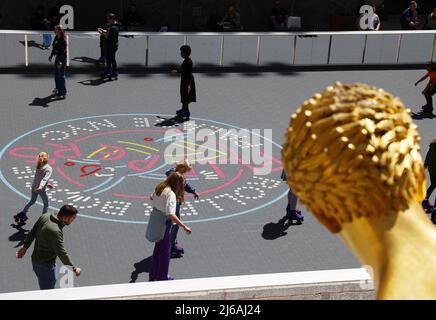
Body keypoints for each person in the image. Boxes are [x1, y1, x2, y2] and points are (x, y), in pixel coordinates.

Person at [16, 205, 81, 290]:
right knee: (47, 292)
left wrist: (25, 246)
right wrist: (74, 268)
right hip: (45, 266)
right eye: (73, 218)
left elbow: (33, 231)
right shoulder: (55, 231)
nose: (73, 220)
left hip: (36, 261)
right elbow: (61, 252)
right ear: (65, 217)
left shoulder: (45, 216)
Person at [148, 172, 192, 281]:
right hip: (164, 222)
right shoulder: (171, 194)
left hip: (155, 218)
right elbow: (170, 214)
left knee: (157, 248)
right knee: (165, 251)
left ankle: (153, 274)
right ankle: (162, 276)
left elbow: (151, 197)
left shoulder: (160, 186)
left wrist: (160, 203)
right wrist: (183, 226)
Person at [165, 161, 199, 257]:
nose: (185, 172)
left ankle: (172, 241)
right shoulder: (175, 176)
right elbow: (183, 184)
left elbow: (185, 185)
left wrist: (193, 191)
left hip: (176, 201)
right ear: (181, 167)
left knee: (172, 223)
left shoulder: (177, 175)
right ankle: (171, 245)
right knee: (175, 222)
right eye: (185, 170)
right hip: (174, 201)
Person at [14, 152, 53, 225]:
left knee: (32, 201)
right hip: (40, 189)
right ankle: (43, 220)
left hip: (34, 187)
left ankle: (22, 214)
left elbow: (38, 178)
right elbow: (44, 179)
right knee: (46, 204)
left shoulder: (39, 166)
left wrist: (47, 184)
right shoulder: (49, 168)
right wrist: (41, 187)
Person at [171, 45, 196, 120]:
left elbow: (187, 72)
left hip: (187, 80)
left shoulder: (188, 62)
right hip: (185, 79)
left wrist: (189, 85)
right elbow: (184, 70)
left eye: (181, 52)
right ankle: (183, 109)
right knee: (183, 95)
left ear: (185, 53)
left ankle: (186, 111)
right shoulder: (186, 60)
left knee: (185, 96)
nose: (180, 53)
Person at [98, 13, 120, 80]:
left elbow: (107, 35)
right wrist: (103, 30)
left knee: (112, 59)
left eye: (108, 18)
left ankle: (114, 72)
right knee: (108, 59)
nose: (107, 20)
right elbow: (108, 32)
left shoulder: (114, 27)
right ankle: (108, 70)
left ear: (112, 19)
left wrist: (101, 32)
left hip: (112, 46)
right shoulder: (112, 25)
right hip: (110, 45)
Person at [49, 25, 67, 98]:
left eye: (55, 29)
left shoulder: (63, 40)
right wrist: (51, 55)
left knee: (61, 76)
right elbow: (54, 48)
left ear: (59, 31)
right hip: (57, 58)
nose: (54, 31)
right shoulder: (56, 37)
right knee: (56, 75)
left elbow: (63, 52)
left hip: (62, 59)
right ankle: (58, 88)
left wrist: (60, 62)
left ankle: (63, 93)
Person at [423, 140, 436, 224]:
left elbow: (427, 158)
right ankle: (435, 211)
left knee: (433, 185)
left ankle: (425, 201)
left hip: (431, 170)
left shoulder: (432, 147)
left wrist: (425, 166)